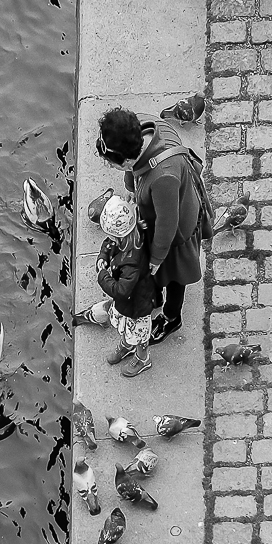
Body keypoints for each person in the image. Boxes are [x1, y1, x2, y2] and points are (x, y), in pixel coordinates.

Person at [96, 107, 211, 345]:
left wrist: (157, 260)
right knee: (156, 267)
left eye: (112, 164)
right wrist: (131, 186)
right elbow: (134, 171)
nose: (111, 167)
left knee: (174, 274)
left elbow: (168, 224)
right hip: (158, 215)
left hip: (177, 231)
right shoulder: (139, 127)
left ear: (127, 159)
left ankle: (171, 316)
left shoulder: (163, 177)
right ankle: (155, 295)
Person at [95, 194, 155, 377]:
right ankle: (128, 344)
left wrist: (102, 276)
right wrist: (103, 256)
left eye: (111, 237)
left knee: (140, 334)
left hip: (137, 306)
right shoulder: (127, 238)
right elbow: (109, 244)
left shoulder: (132, 264)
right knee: (128, 328)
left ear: (120, 236)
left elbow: (121, 291)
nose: (109, 240)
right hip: (129, 304)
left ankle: (143, 358)